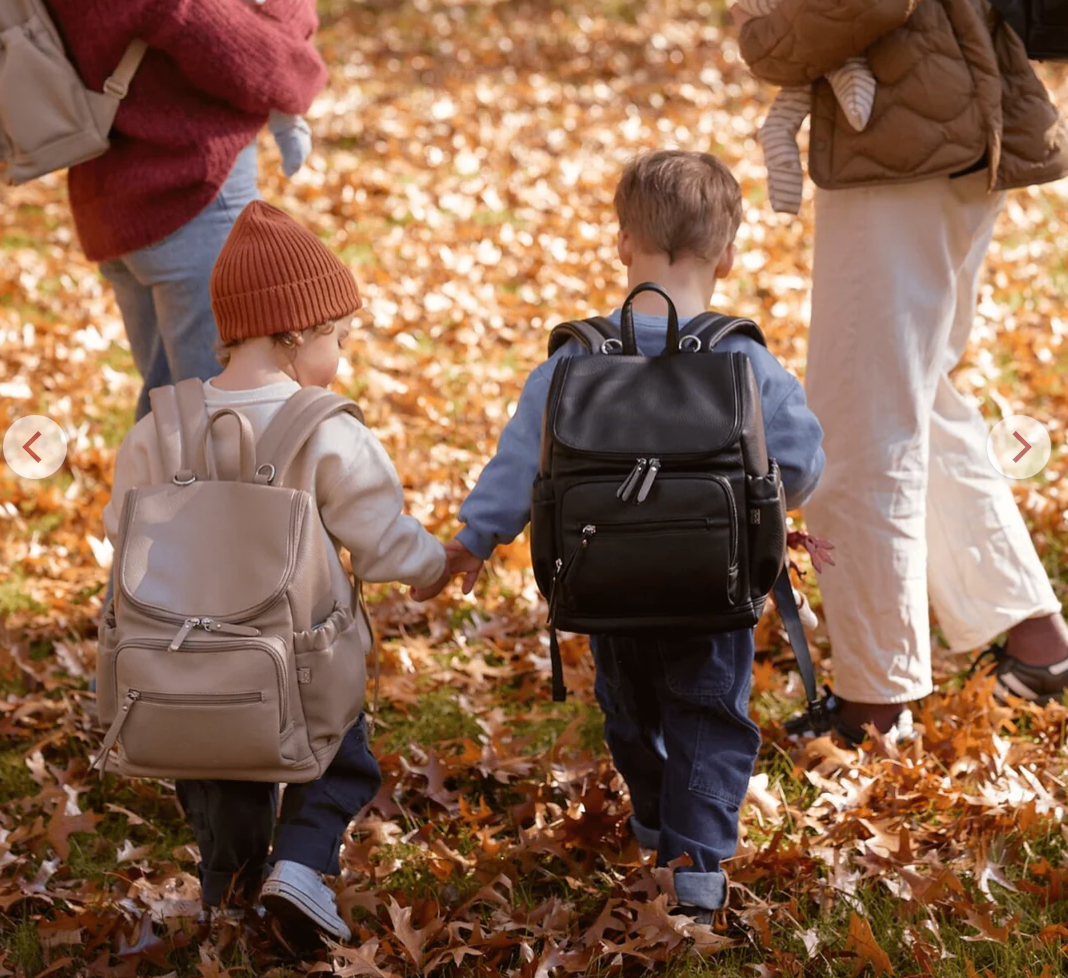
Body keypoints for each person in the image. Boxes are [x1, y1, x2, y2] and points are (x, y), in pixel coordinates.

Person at [414, 151, 825, 918]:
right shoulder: (744, 356)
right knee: (709, 714)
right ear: (728, 255)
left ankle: (652, 814)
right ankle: (696, 869)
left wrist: (474, 540)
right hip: (715, 585)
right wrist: (776, 502)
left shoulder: (576, 357)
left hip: (607, 583)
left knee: (629, 706)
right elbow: (800, 466)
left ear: (621, 243)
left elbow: (521, 465)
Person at [103, 201, 448, 938]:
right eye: (339, 338)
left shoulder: (156, 430)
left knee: (216, 770)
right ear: (297, 332)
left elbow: (119, 532)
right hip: (299, 664)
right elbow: (381, 539)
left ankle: (228, 893)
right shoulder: (327, 430)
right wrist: (433, 563)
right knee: (338, 757)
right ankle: (298, 867)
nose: (341, 357)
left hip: (180, 665)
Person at [737, 0, 1068, 737]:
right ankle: (1035, 639)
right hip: (952, 117)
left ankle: (874, 704)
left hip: (907, 134)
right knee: (916, 397)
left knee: (860, 423)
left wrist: (764, 36)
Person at [48, 0, 327, 420]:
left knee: (172, 417)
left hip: (113, 192)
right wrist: (294, 68)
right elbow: (236, 47)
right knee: (225, 423)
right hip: (192, 191)